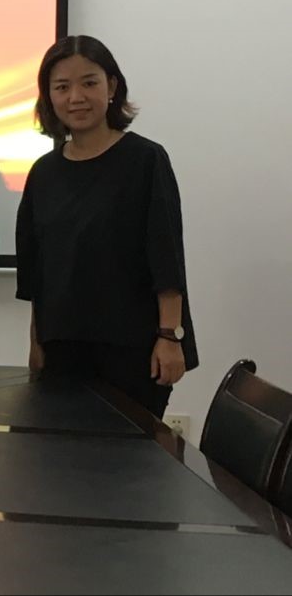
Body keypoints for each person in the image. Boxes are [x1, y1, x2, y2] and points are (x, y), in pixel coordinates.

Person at [16, 36, 197, 417]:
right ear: (48, 96)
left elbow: (166, 255)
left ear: (111, 87)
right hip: (63, 349)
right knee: (61, 449)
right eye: (62, 87)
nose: (76, 97)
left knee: (129, 454)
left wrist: (170, 336)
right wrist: (36, 341)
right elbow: (38, 271)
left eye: (89, 83)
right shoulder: (43, 173)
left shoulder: (146, 160)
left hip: (135, 351)